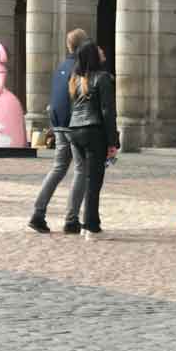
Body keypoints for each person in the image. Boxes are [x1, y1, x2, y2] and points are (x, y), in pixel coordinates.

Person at [28, 28, 90, 234]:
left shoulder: (61, 66)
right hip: (74, 125)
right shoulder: (81, 68)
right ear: (83, 46)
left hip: (59, 123)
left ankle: (38, 213)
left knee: (58, 168)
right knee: (82, 169)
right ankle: (71, 219)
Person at [67, 40, 118, 241]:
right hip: (93, 131)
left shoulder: (75, 79)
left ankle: (89, 223)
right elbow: (107, 111)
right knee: (94, 180)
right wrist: (112, 141)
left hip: (75, 130)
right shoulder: (103, 78)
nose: (102, 50)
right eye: (99, 49)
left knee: (87, 178)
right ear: (93, 56)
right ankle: (91, 227)